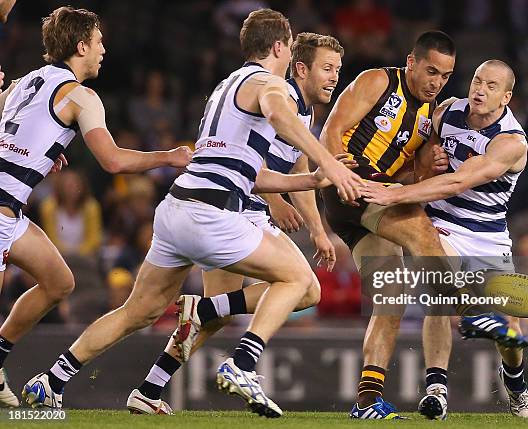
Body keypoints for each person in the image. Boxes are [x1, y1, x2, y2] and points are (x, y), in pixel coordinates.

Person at [23, 9, 361, 417]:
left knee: (140, 311)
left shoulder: (227, 84)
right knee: (303, 284)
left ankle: (56, 380)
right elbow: (277, 113)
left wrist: (306, 183)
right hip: (217, 215)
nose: (292, 56)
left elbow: (246, 169)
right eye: (291, 48)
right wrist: (329, 162)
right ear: (279, 47)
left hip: (177, 208)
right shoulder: (270, 85)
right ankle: (243, 363)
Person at [125, 31, 345, 415]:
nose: (333, 77)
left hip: (229, 207)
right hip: (237, 208)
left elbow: (297, 165)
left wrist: (317, 228)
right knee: (303, 288)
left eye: (337, 70)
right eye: (327, 68)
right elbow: (248, 161)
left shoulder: (304, 108)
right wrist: (275, 201)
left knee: (219, 314)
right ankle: (241, 360)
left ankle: (150, 387)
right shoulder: (278, 95)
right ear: (300, 67)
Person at [320, 31, 528, 419]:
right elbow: (332, 128)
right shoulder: (379, 81)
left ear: (506, 97)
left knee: (391, 295)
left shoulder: (485, 132)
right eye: (431, 71)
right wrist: (340, 175)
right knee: (423, 235)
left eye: (445, 75)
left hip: (481, 232)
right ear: (411, 62)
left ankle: (367, 401)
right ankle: (470, 311)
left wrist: (417, 172)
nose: (437, 82)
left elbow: (416, 174)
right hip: (354, 185)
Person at [0, 6, 192, 407]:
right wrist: (169, 156)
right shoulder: (81, 97)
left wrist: (41, 148)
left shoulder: (27, 81)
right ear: (81, 45)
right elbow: (114, 161)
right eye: (99, 41)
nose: (104, 48)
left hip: (11, 210)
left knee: (59, 282)